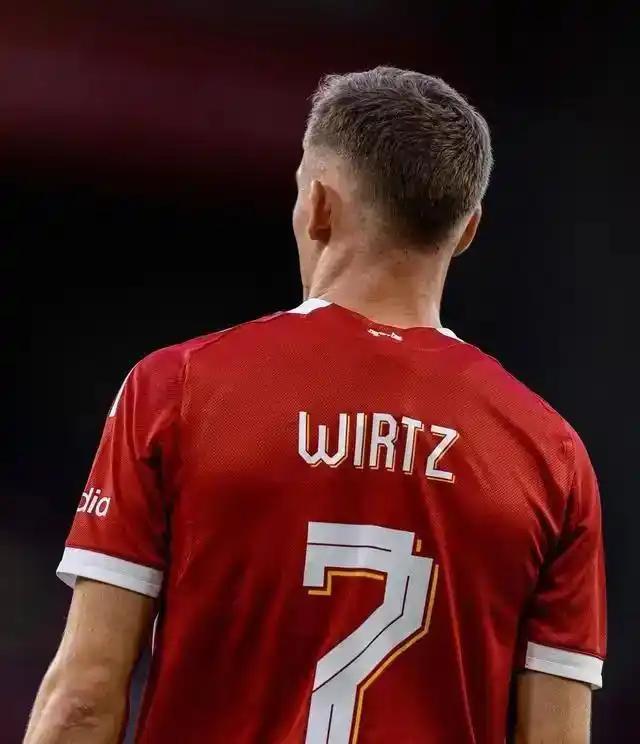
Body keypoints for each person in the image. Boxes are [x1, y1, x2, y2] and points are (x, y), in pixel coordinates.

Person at [24, 67, 605, 744]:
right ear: (468, 230)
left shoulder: (177, 389)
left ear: (320, 206)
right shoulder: (548, 455)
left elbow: (84, 701)